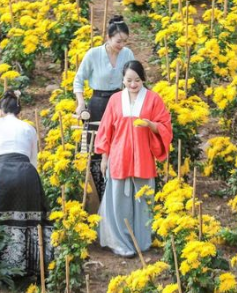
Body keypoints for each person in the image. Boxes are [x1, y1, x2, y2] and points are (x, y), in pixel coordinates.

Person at [0, 90, 54, 276]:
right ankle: (32, 268)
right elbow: (33, 159)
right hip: (27, 173)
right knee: (29, 218)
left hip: (1, 174)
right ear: (19, 112)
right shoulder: (28, 128)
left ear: (0, 111)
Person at [94, 60, 173, 257]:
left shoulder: (154, 99)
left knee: (143, 200)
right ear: (122, 80)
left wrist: (150, 125)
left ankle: (142, 241)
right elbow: (106, 129)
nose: (133, 84)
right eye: (128, 80)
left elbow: (165, 125)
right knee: (117, 201)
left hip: (143, 156)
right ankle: (120, 241)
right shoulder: (114, 100)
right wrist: (105, 157)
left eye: (137, 80)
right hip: (119, 156)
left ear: (143, 79)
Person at [73, 15, 135, 200]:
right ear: (108, 37)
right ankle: (95, 191)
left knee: (119, 145)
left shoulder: (128, 54)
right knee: (94, 148)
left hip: (119, 101)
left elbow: (133, 79)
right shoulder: (94, 54)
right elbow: (78, 80)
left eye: (125, 41)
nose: (121, 44)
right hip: (98, 103)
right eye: (118, 41)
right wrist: (81, 103)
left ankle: (117, 190)